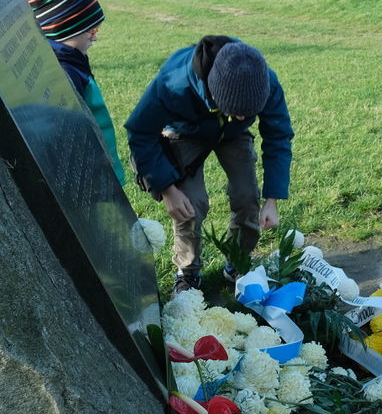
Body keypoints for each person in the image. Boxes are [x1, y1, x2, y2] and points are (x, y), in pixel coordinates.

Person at [125, 37, 294, 293]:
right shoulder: (173, 82)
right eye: (237, 110)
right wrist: (168, 189)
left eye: (249, 113)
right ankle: (188, 271)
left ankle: (237, 262)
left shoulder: (264, 80)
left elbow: (278, 135)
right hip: (185, 131)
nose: (243, 116)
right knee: (191, 204)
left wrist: (272, 199)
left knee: (247, 196)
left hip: (233, 134)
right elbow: (139, 132)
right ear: (214, 91)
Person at [26, 0, 125, 184]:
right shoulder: (65, 73)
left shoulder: (72, 60)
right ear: (65, 30)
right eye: (91, 31)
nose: (95, 36)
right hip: (92, 177)